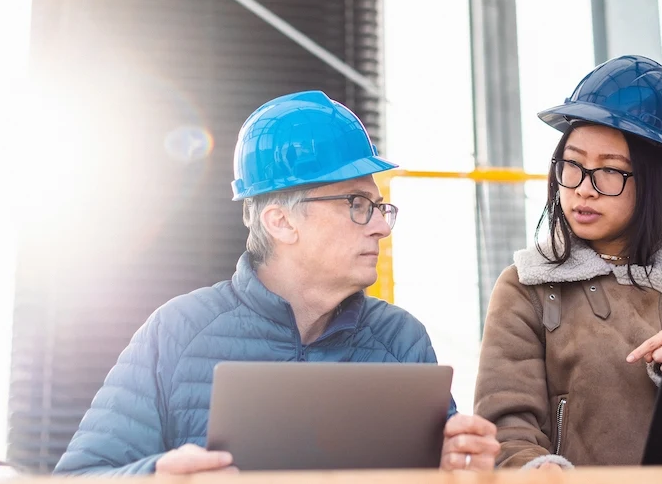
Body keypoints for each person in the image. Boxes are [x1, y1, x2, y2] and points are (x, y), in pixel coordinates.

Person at [54, 91, 498, 475]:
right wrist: (156, 478)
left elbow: (445, 472)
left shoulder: (401, 340)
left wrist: (463, 472)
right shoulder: (177, 332)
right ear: (281, 221)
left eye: (380, 208)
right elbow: (79, 475)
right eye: (358, 204)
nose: (381, 227)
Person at [473, 56, 662, 469]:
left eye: (610, 171)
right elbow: (506, 429)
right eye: (572, 165)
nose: (583, 189)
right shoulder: (527, 287)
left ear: (654, 185)